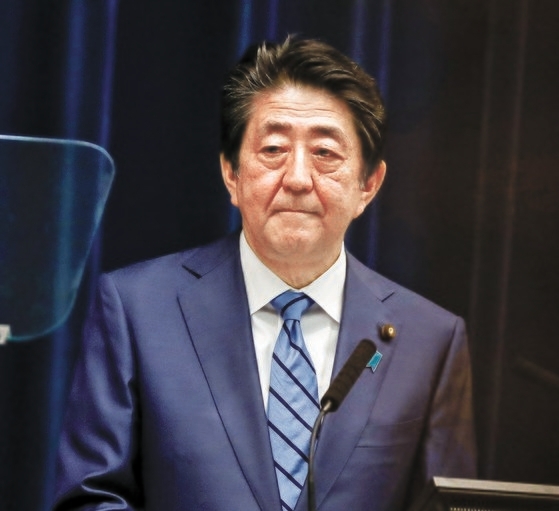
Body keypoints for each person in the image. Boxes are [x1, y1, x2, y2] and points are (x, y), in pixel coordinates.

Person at [53, 37, 476, 511]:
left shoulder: (430, 342)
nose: (297, 178)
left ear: (368, 185)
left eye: (325, 153)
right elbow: (90, 499)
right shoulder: (138, 311)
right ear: (231, 174)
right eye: (273, 148)